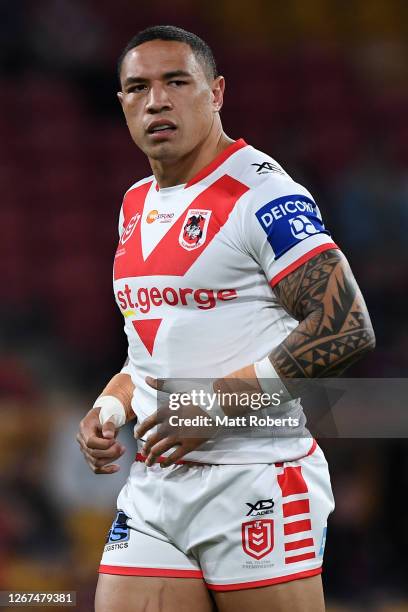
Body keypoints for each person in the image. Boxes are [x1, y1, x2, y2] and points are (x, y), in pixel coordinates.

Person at [76, 25, 375, 612]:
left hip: (257, 477)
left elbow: (346, 326)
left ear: (215, 93)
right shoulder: (135, 205)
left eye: (176, 82)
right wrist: (109, 406)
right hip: (158, 484)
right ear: (121, 104)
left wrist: (215, 406)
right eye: (137, 88)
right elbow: (152, 351)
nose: (156, 100)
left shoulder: (262, 195)